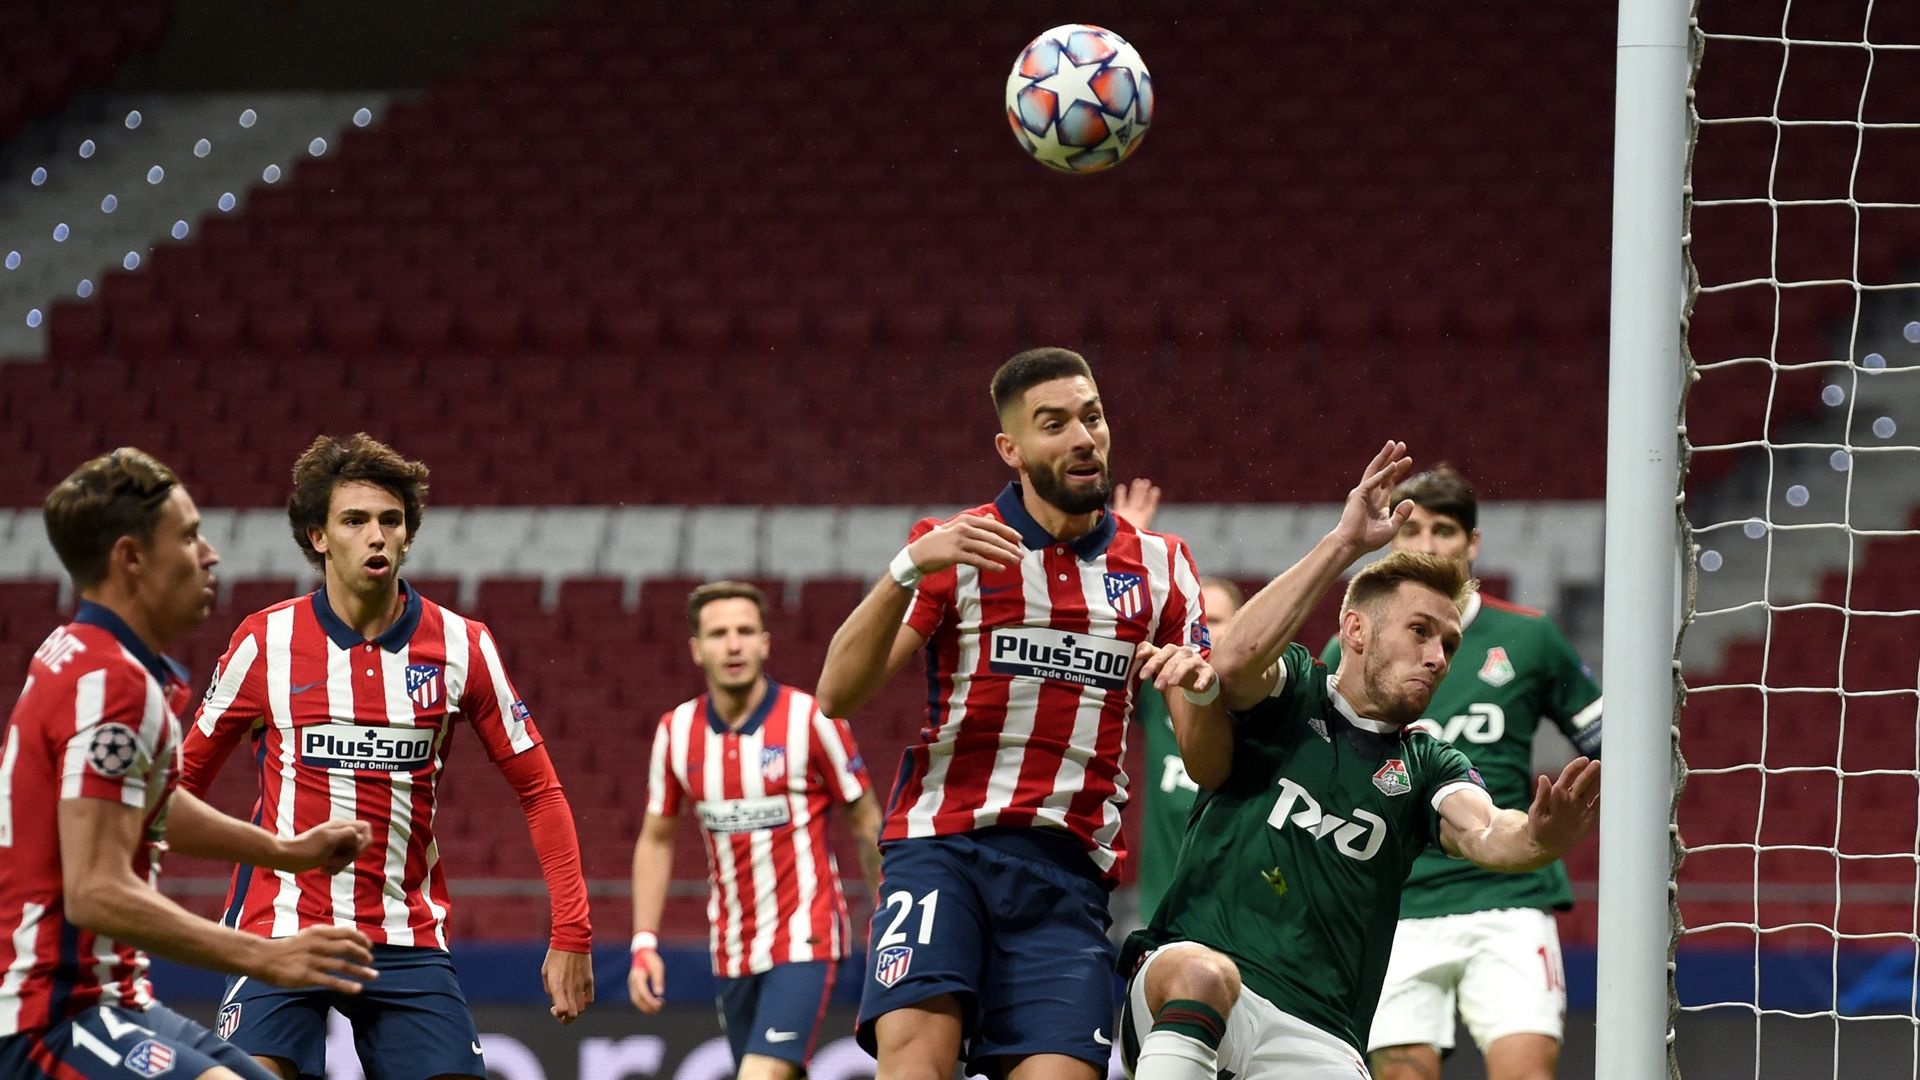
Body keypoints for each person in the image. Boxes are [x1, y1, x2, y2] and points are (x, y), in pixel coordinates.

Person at [1118, 442, 1601, 1080]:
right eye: (1421, 631)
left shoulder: (1429, 763)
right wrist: (1345, 545)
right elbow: (1231, 662)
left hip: (1321, 1033)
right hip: (1197, 983)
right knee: (1202, 972)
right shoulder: (1292, 688)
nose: (1438, 657)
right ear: (1355, 630)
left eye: (1450, 642)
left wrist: (1543, 834)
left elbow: (1487, 829)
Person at [815, 347, 1210, 1080]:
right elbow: (837, 694)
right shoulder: (957, 546)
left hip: (1066, 874)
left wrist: (1204, 687)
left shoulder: (1162, 567)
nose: (1082, 437)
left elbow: (1208, 760)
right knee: (914, 1066)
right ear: (1012, 448)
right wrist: (909, 567)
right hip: (943, 849)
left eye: (1091, 417)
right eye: (1053, 424)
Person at [178, 434, 594, 1080]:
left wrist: (572, 932)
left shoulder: (462, 646)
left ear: (407, 535)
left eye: (390, 521)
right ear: (318, 536)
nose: (376, 536)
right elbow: (180, 784)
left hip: (404, 936)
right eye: (354, 520)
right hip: (280, 926)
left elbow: (539, 790)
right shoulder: (265, 644)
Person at [0, 448, 379, 1080]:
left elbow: (147, 800)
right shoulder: (110, 684)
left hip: (110, 999)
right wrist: (266, 957)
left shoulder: (85, 655)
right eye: (189, 536)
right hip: (48, 1016)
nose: (210, 554)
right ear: (131, 558)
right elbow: (94, 893)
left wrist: (286, 853)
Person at [1318, 465, 1602, 1080]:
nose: (1424, 544)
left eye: (1442, 530)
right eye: (1409, 528)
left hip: (1508, 893)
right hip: (1394, 898)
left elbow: (1609, 744)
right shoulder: (1349, 647)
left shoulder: (1529, 638)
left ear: (1471, 545)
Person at [628, 581, 882, 1079]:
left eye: (746, 631)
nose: (734, 644)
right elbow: (656, 838)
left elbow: (866, 819)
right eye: (719, 633)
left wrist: (892, 922)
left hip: (805, 936)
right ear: (697, 649)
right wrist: (643, 942)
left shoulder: (811, 718)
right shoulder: (675, 731)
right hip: (731, 945)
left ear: (766, 642)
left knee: (760, 1075)